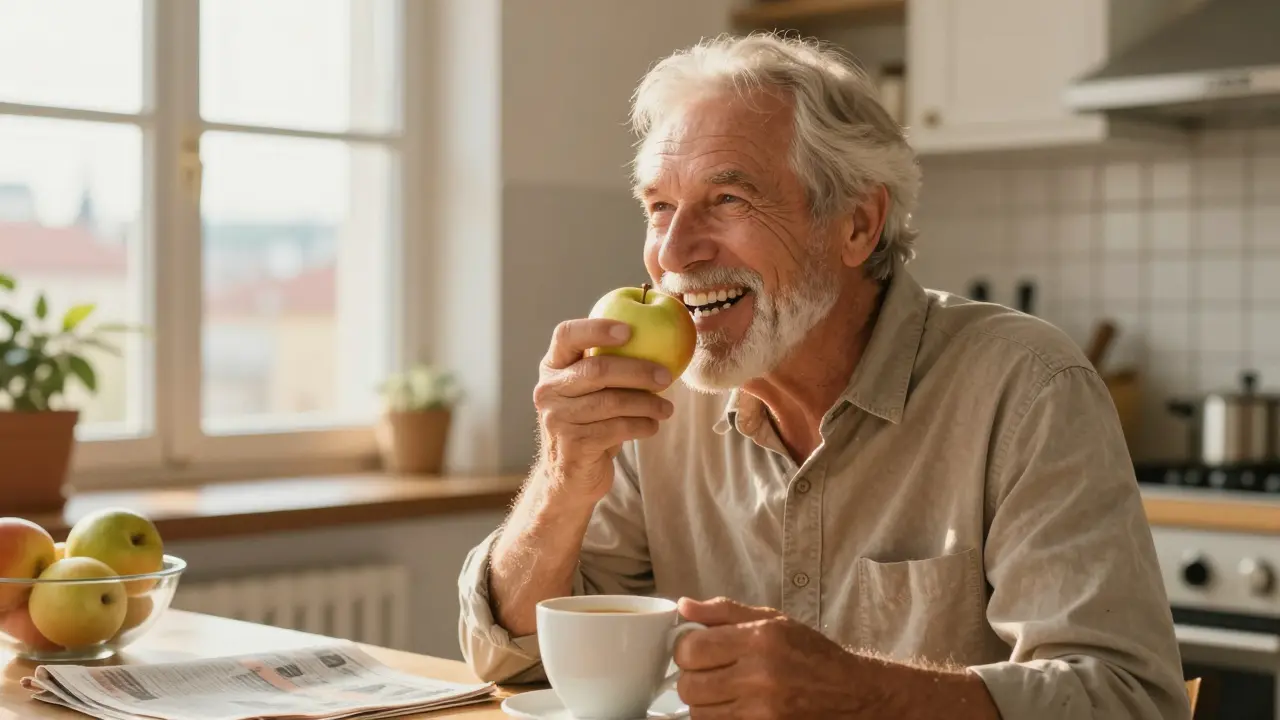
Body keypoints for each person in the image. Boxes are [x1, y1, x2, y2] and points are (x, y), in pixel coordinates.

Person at [457, 33, 1188, 719]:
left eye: (727, 199)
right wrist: (562, 477)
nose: (674, 253)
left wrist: (859, 693)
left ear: (858, 225)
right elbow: (516, 662)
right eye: (659, 207)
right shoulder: (653, 401)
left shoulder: (1026, 387)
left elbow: (1127, 699)